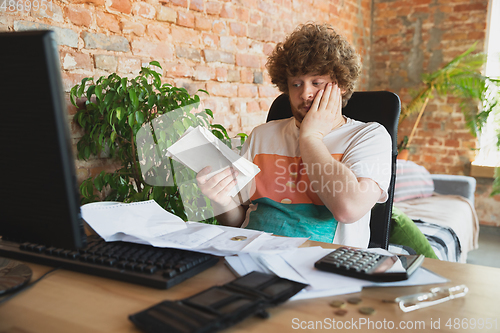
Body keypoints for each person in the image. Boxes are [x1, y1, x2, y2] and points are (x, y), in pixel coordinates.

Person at [196, 23, 391, 248]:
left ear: (342, 85)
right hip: (250, 257)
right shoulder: (261, 135)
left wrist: (310, 137)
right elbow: (241, 222)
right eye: (296, 84)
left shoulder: (369, 136)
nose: (305, 93)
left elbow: (348, 209)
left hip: (321, 269)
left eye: (316, 83)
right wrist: (220, 201)